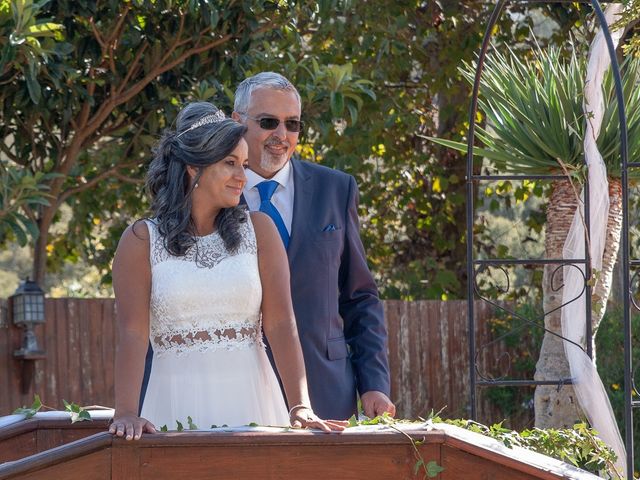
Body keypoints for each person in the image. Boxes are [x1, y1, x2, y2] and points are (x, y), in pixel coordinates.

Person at [109, 102, 346, 440]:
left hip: (253, 400)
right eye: (231, 164)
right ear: (194, 166)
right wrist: (127, 413)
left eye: (244, 165)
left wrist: (300, 404)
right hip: (174, 404)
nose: (242, 176)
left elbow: (281, 322)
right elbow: (132, 333)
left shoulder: (260, 230)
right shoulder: (140, 241)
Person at [232, 72, 396, 420]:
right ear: (237, 122)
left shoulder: (335, 189)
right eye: (268, 122)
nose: (282, 135)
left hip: (325, 388)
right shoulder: (211, 197)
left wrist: (374, 383)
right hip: (238, 388)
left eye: (292, 124)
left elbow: (360, 297)